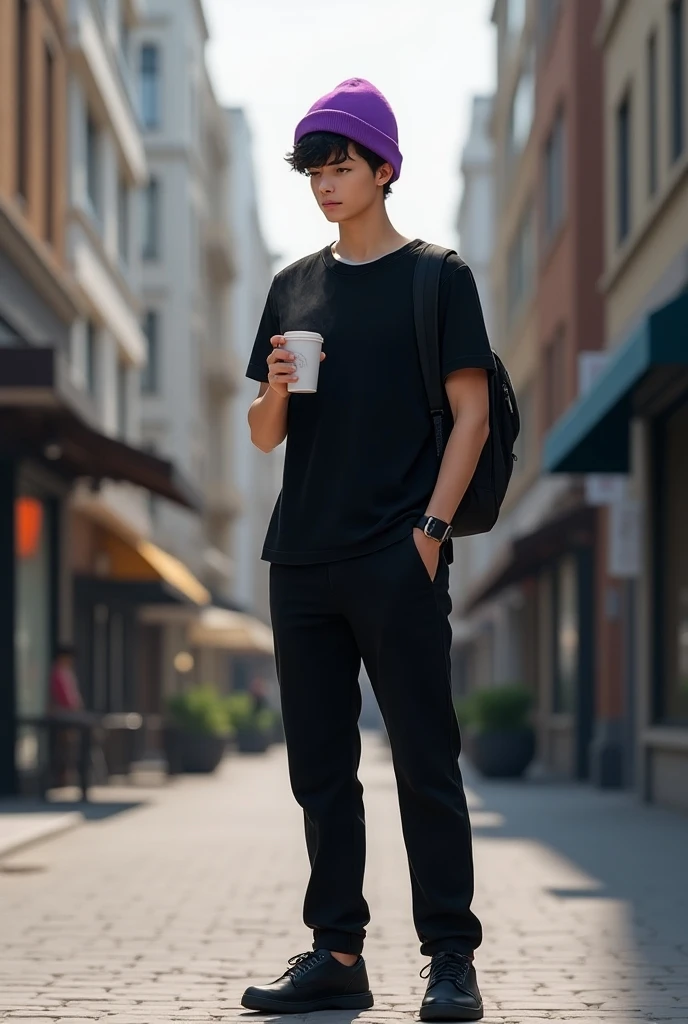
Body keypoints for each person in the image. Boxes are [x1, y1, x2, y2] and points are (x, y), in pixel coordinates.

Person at [241, 79, 493, 1022]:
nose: (324, 183)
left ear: (384, 168)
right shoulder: (291, 287)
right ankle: (337, 949)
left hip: (398, 550)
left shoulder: (439, 278)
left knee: (426, 757)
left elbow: (470, 417)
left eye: (340, 165)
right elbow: (265, 437)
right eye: (313, 169)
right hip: (301, 556)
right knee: (320, 768)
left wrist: (428, 533)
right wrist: (272, 385)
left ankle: (452, 957)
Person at [49, 644, 84, 788]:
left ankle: (67, 778)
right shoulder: (58, 673)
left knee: (68, 749)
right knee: (63, 749)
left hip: (68, 716)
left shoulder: (66, 673)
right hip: (63, 717)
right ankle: (61, 779)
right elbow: (66, 698)